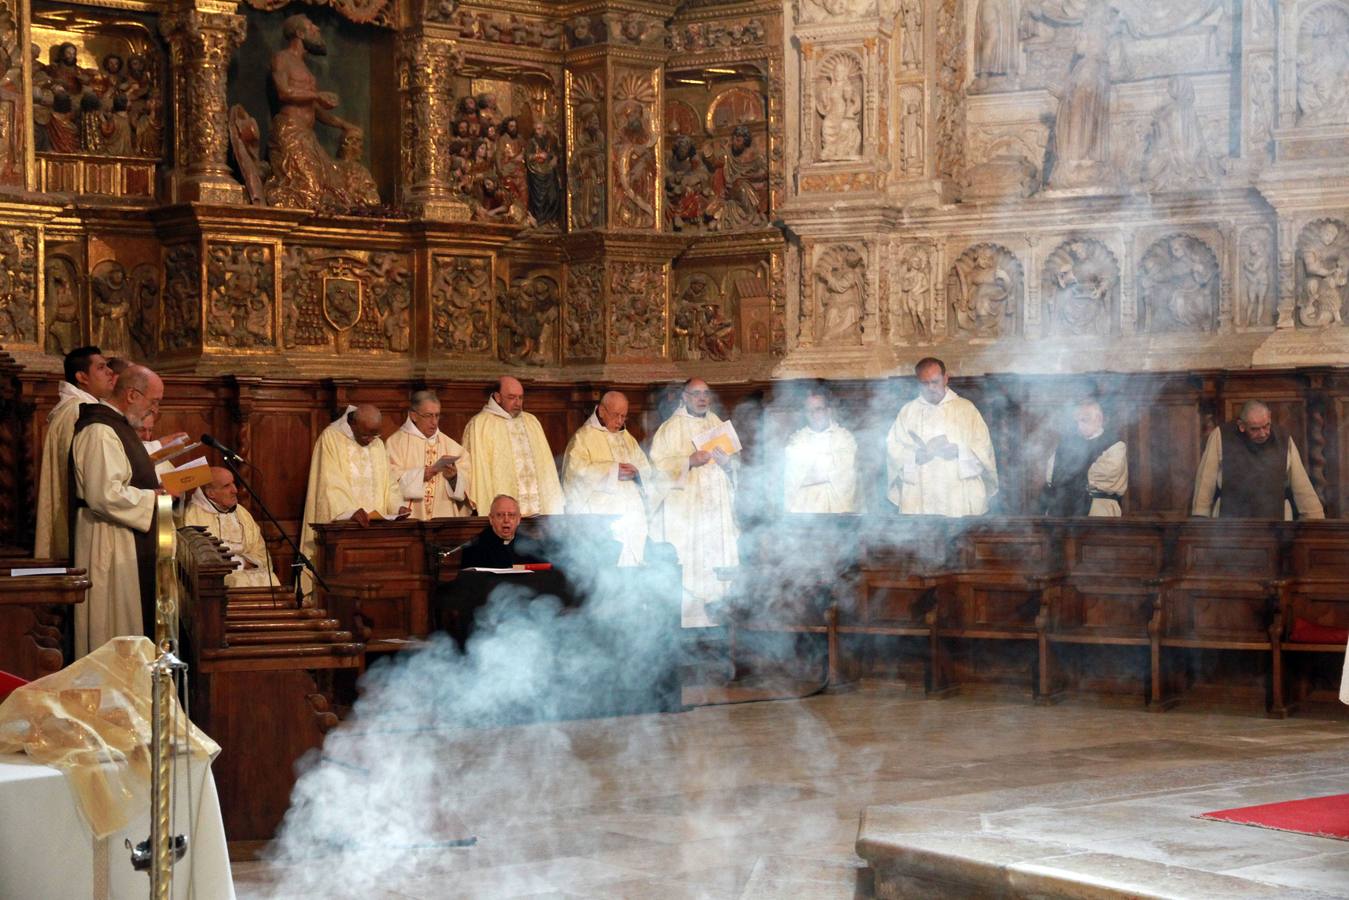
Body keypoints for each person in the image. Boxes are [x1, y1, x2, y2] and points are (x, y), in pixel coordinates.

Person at [69, 364, 168, 657]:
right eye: (153, 401)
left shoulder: (116, 426)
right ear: (132, 394)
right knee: (113, 623)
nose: (154, 410)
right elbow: (104, 495)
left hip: (123, 534)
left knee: (127, 621)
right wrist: (154, 497)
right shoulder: (100, 431)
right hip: (108, 540)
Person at [648, 378, 739, 627]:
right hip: (687, 515)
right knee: (691, 564)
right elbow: (657, 469)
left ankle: (720, 624)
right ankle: (690, 625)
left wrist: (729, 465)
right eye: (696, 393)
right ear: (684, 397)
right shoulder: (670, 429)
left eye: (706, 393)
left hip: (716, 513)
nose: (702, 398)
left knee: (716, 566)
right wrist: (688, 461)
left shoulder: (717, 425)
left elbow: (736, 464)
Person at [298, 405, 410, 595]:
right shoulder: (331, 438)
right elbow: (329, 484)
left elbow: (388, 482)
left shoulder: (376, 443)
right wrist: (349, 512)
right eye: (366, 435)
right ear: (353, 423)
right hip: (345, 531)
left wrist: (397, 506)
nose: (370, 440)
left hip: (375, 532)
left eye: (374, 435)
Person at [886, 357, 998, 516]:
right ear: (918, 383)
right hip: (919, 494)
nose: (931, 388)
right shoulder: (908, 412)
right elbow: (894, 450)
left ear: (945, 379)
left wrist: (959, 452)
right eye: (925, 383)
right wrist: (914, 456)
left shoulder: (966, 409)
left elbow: (983, 448)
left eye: (935, 381)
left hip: (957, 493)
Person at [35, 346, 117, 559]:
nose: (110, 372)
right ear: (82, 376)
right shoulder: (79, 411)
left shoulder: (79, 408)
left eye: (108, 366)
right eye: (101, 367)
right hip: (86, 517)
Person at [560, 391, 653, 566]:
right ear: (602, 411)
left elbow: (646, 469)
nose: (619, 421)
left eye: (624, 416)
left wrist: (637, 473)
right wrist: (611, 470)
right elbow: (575, 474)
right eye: (616, 415)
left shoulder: (628, 439)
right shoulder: (583, 437)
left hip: (632, 517)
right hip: (604, 519)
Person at [1191, 400, 1324, 520]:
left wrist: (1315, 518)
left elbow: (1301, 485)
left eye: (1266, 426)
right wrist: (1200, 518)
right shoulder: (1221, 436)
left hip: (1276, 524)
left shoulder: (1283, 438)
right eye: (1255, 429)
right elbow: (1205, 482)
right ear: (1241, 425)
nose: (1262, 433)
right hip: (1231, 525)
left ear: (1270, 417)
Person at [460, 377, 564, 517]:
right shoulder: (480, 425)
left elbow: (546, 468)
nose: (518, 403)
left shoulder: (531, 422)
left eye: (520, 398)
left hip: (538, 516)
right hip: (502, 517)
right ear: (497, 397)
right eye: (512, 397)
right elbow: (477, 473)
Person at [183, 467, 281, 588]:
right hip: (216, 582)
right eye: (226, 486)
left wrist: (247, 562)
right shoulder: (192, 516)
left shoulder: (242, 513)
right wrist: (239, 564)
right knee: (237, 581)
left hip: (249, 571)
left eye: (233, 483)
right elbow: (197, 558)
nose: (235, 490)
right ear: (210, 493)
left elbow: (260, 551)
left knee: (271, 579)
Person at [385, 390, 474, 520]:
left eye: (437, 416)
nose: (434, 422)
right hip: (411, 520)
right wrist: (420, 475)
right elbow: (388, 479)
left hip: (444, 519)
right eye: (428, 416)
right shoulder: (395, 443)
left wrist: (453, 478)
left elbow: (468, 479)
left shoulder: (452, 446)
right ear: (413, 416)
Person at [1041, 399, 1128, 517]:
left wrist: (1068, 476)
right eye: (1077, 421)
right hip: (1063, 509)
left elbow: (1100, 479)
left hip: (1098, 510)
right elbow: (1051, 476)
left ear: (1099, 419)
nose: (1079, 426)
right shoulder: (1066, 444)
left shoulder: (1116, 445)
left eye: (1084, 420)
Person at [783, 385, 859, 513]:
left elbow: (847, 472)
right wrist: (829, 472)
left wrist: (810, 474)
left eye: (818, 409)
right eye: (809, 411)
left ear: (828, 411)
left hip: (837, 508)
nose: (813, 414)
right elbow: (793, 477)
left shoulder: (844, 438)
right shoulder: (796, 440)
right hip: (805, 508)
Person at [460, 495, 543, 569]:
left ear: (518, 519)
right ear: (491, 519)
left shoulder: (530, 546)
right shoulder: (474, 547)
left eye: (511, 515)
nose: (506, 520)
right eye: (500, 515)